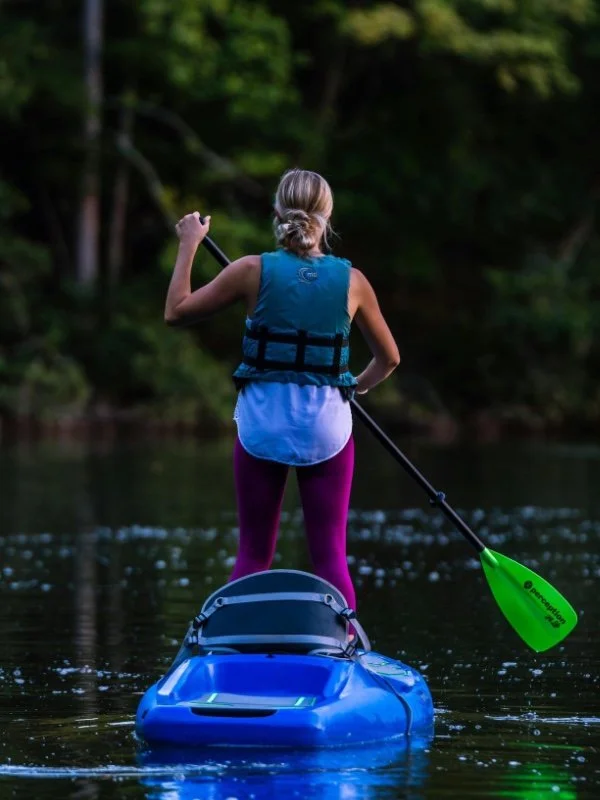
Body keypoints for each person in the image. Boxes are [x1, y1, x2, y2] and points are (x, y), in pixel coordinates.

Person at [164, 168, 400, 611]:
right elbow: (389, 359)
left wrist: (189, 244)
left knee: (254, 554)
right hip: (327, 429)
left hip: (262, 427)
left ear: (277, 211)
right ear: (327, 217)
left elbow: (176, 312)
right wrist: (354, 387)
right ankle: (344, 641)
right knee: (329, 554)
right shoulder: (353, 282)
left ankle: (233, 641)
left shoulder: (250, 270)